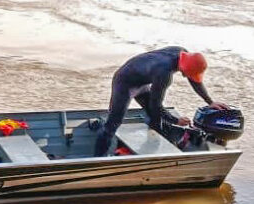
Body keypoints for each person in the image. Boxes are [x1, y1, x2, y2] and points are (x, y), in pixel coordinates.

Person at [93, 46, 229, 156]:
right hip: (125, 83)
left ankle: (150, 152)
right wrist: (176, 121)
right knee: (112, 124)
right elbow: (155, 105)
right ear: (184, 69)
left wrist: (209, 102)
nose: (190, 77)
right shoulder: (164, 74)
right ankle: (98, 160)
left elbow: (194, 80)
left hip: (141, 79)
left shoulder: (182, 53)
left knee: (156, 119)